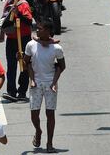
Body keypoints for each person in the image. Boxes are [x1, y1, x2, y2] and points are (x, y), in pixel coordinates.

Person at [25, 21, 66, 153]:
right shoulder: (31, 45)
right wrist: (32, 79)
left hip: (50, 83)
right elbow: (27, 62)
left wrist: (54, 82)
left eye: (40, 29)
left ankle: (49, 143)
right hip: (36, 83)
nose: (37, 31)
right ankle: (38, 130)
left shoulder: (57, 49)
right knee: (34, 114)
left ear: (48, 31)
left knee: (50, 114)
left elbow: (61, 66)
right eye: (37, 29)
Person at [0, 0, 33, 102]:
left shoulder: (23, 5)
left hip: (23, 39)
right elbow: (4, 19)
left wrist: (18, 14)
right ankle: (11, 91)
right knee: (11, 66)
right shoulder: (8, 4)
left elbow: (28, 21)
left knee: (24, 65)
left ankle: (22, 91)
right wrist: (1, 33)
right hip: (11, 39)